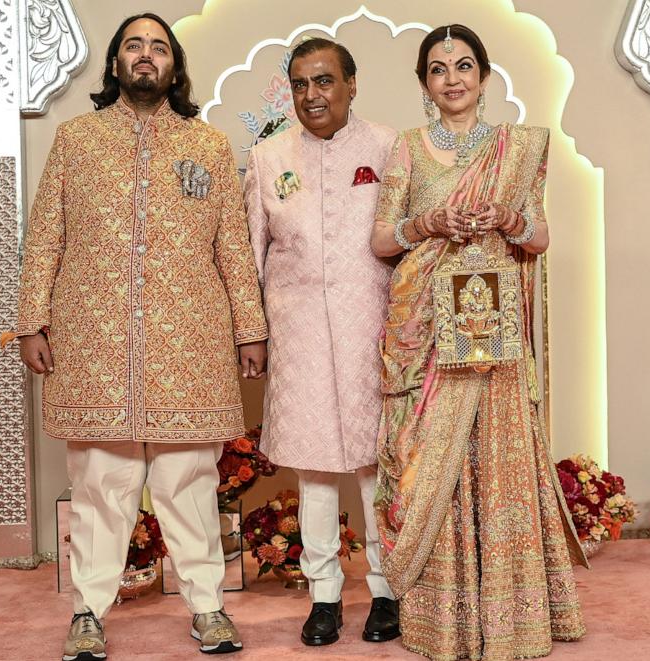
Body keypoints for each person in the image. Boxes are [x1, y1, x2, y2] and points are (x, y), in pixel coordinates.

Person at [5, 13, 267, 659]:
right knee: (101, 484)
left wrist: (250, 330)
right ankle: (88, 614)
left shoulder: (206, 146)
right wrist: (32, 320)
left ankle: (206, 607)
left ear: (173, 66)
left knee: (188, 482)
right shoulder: (75, 140)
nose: (145, 56)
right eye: (133, 46)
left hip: (190, 343)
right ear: (116, 64)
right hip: (95, 343)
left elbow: (232, 245)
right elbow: (44, 237)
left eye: (157, 47)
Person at [370, 24, 587, 660]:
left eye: (465, 66)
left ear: (484, 77)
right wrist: (429, 222)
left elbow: (540, 238)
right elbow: (383, 240)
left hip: (493, 330)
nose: (453, 78)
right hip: (431, 334)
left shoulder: (516, 148)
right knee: (432, 461)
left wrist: (512, 220)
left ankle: (512, 614)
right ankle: (443, 617)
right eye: (438, 69)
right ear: (423, 84)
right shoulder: (407, 149)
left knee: (499, 457)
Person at [243, 37, 400, 647]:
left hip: (377, 333)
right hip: (300, 334)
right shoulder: (267, 156)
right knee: (313, 472)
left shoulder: (389, 147)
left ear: (352, 84)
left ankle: (388, 592)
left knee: (375, 468)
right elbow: (250, 254)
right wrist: (251, 334)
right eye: (301, 84)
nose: (313, 95)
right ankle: (325, 598)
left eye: (326, 81)